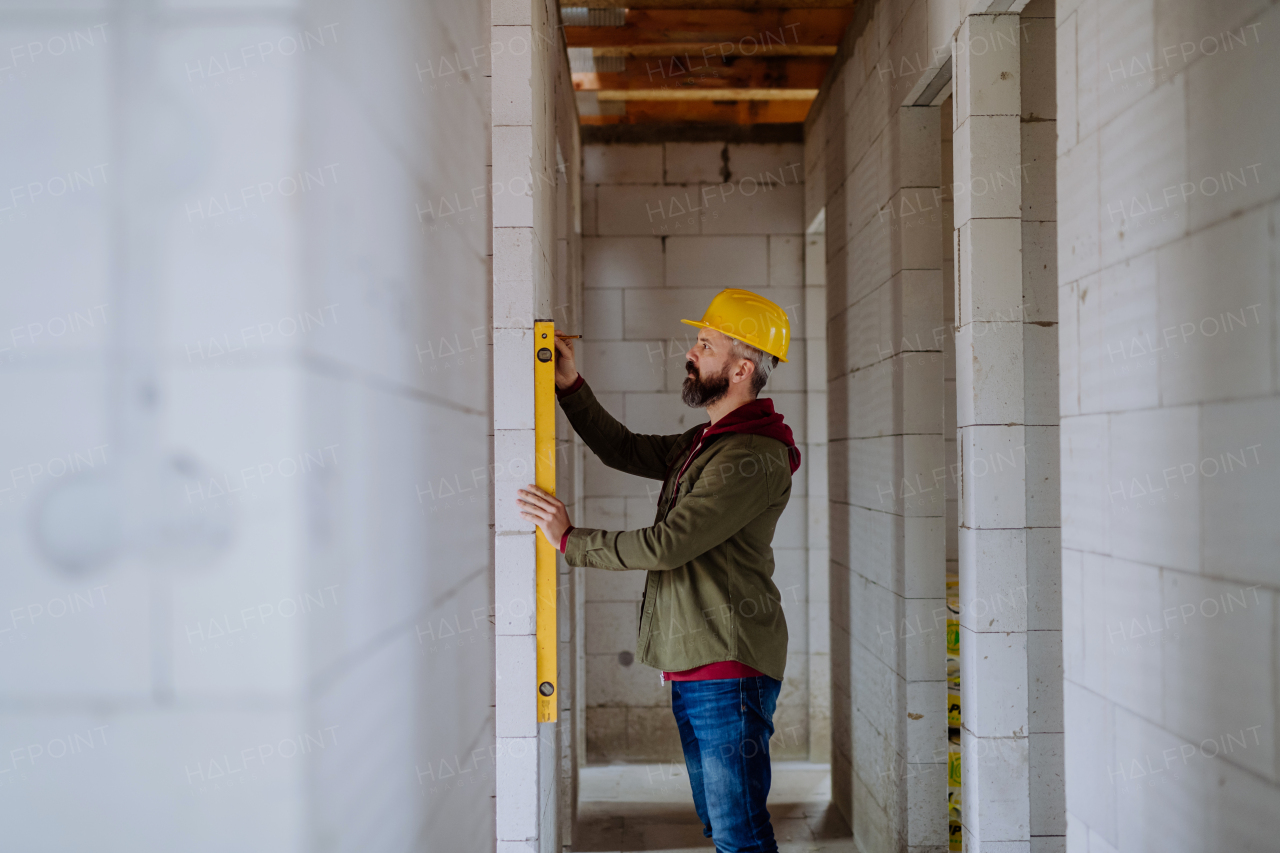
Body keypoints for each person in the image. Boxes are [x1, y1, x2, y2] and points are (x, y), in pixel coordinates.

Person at [516, 288, 800, 853]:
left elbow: (668, 545)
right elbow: (623, 449)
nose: (691, 353)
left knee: (739, 833)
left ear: (742, 368)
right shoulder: (709, 441)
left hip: (729, 666)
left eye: (706, 344)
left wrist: (571, 541)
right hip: (701, 664)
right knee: (723, 827)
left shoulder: (748, 456)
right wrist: (569, 385)